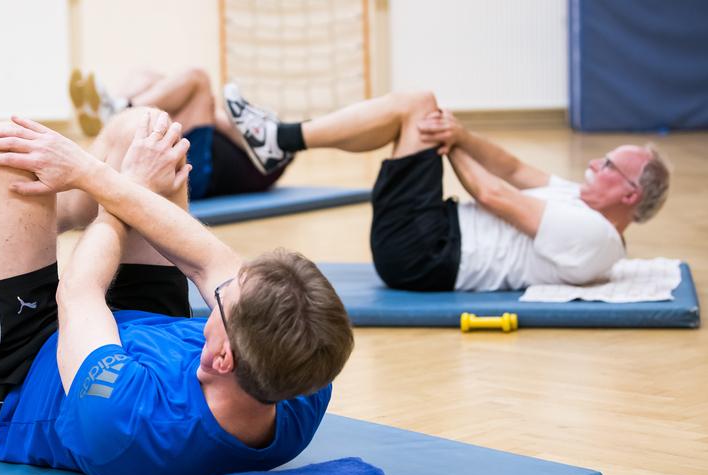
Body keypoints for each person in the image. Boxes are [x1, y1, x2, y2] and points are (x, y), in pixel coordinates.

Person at [0, 106, 354, 475]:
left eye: (223, 299)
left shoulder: (126, 420)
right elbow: (208, 260)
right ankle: (38, 222)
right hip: (147, 333)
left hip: (37, 367)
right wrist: (96, 176)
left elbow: (80, 290)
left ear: (220, 357)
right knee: (153, 134)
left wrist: (116, 182)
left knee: (6, 150)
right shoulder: (303, 379)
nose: (223, 281)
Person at [223, 86, 671, 291]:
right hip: (430, 236)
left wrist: (448, 141)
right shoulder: (579, 199)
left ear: (631, 194)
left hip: (425, 255)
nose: (596, 161)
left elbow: (496, 196)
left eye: (609, 164)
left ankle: (278, 140)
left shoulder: (596, 238)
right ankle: (279, 141)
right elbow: (513, 169)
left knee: (417, 106)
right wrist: (460, 133)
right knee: (415, 109)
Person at [70, 68, 290, 201]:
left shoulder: (272, 152)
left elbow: (220, 117)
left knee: (197, 78)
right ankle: (115, 108)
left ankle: (118, 111)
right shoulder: (250, 137)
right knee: (148, 76)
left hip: (195, 173)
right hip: (190, 153)